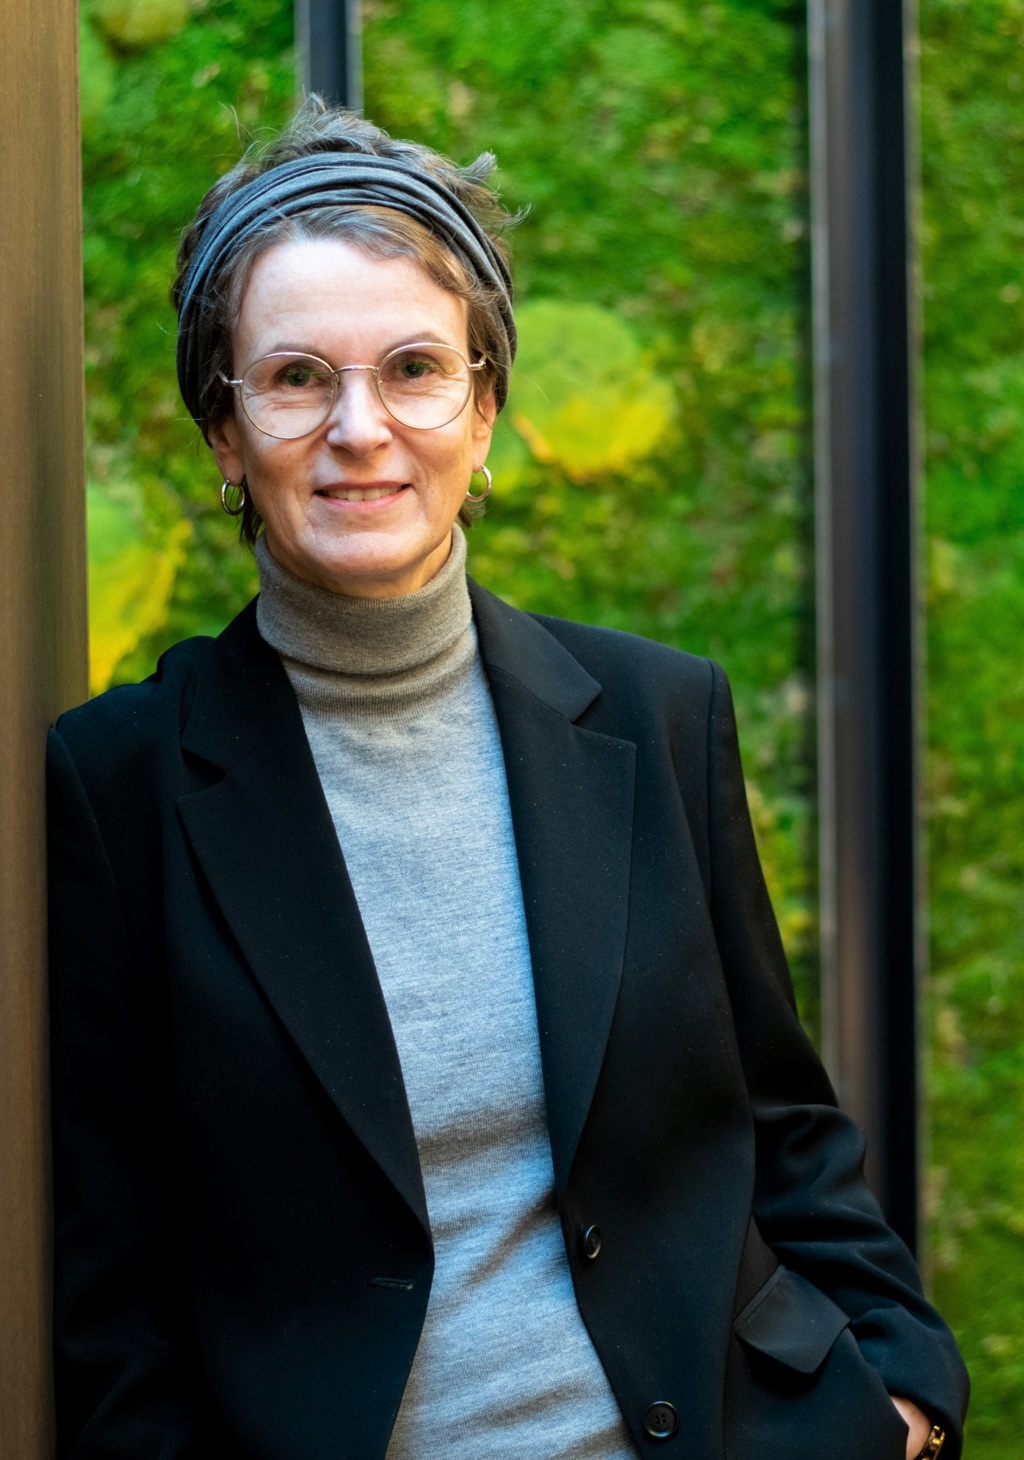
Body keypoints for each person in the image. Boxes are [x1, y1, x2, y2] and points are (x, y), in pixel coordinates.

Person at [47, 100, 968, 1460]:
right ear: (224, 434)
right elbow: (110, 1282)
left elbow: (782, 1122)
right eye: (296, 378)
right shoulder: (118, 781)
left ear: (482, 413)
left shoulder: (658, 713)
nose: (361, 428)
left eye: (415, 367)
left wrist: (898, 1391)